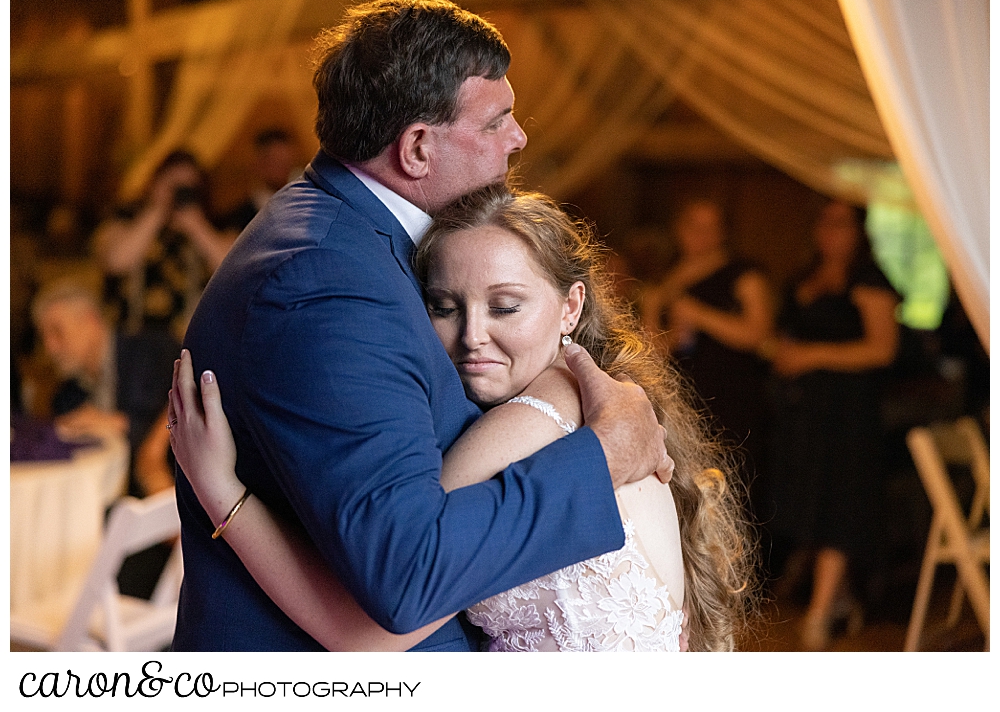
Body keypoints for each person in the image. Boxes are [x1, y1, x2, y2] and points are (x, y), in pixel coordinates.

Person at [171, 0, 672, 652]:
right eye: (497, 121)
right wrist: (606, 455)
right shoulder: (326, 281)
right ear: (415, 148)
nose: (519, 138)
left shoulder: (355, 239)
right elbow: (405, 576)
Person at [170, 185, 754, 651]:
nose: (474, 336)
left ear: (571, 306)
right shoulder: (592, 396)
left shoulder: (531, 421)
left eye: (505, 306)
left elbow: (367, 637)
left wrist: (223, 493)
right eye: (445, 307)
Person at [764, 200, 900, 650]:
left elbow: (882, 349)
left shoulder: (868, 279)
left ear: (859, 230)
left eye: (840, 223)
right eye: (823, 220)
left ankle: (822, 611)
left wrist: (813, 356)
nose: (829, 231)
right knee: (809, 501)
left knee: (840, 503)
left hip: (849, 410)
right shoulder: (804, 276)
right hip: (805, 411)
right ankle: (840, 598)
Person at [641, 200, 774, 524]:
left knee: (730, 491)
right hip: (682, 399)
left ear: (723, 233)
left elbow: (758, 334)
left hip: (731, 399)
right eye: (692, 225)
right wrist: (652, 310)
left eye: (709, 227)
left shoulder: (744, 275)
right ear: (678, 228)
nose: (700, 235)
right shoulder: (667, 278)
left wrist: (700, 315)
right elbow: (652, 349)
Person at [31, 277, 179, 498]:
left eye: (57, 332)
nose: (50, 347)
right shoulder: (66, 395)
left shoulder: (151, 350)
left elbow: (189, 406)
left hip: (178, 501)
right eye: (44, 337)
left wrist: (122, 425)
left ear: (90, 321)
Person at [92, 150, 237, 340]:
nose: (179, 193)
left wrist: (196, 225)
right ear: (155, 182)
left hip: (188, 340)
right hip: (132, 340)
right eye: (173, 185)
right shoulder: (125, 219)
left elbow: (232, 272)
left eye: (189, 187)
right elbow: (117, 261)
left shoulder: (216, 226)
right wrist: (157, 210)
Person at [218, 128, 302, 233]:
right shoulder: (241, 219)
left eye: (287, 162)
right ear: (258, 164)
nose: (284, 170)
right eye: (276, 163)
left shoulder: (303, 201)